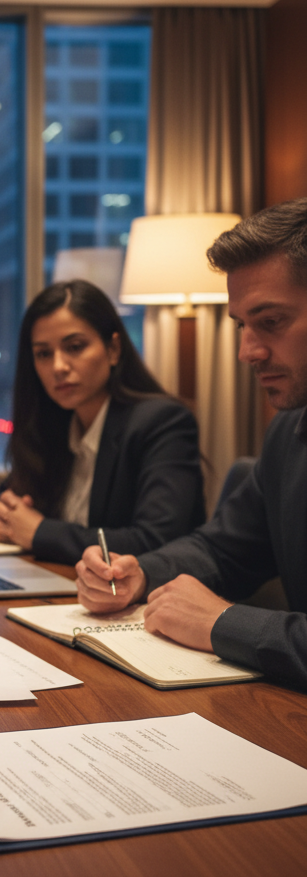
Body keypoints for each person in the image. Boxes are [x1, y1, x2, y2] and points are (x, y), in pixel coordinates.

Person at [77, 200, 307, 691]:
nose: (247, 351)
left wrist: (223, 622)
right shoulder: (289, 433)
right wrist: (139, 574)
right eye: (241, 325)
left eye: (270, 321)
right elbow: (224, 549)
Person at [0, 279, 205, 564]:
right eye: (43, 354)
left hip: (142, 601)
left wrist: (37, 531)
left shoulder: (162, 423)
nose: (58, 367)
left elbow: (156, 541)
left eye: (74, 347)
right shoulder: (54, 425)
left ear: (113, 349)